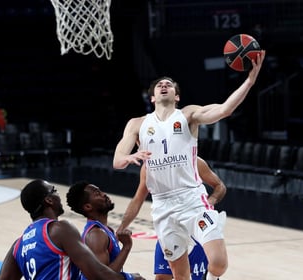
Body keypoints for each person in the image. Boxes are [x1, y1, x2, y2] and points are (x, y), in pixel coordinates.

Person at [112, 50, 264, 280]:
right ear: (152, 97)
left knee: (219, 263)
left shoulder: (188, 114)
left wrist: (249, 81)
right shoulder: (136, 124)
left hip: (192, 199)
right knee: (180, 276)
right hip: (163, 207)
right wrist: (128, 158)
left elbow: (224, 110)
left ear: (176, 96)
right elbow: (117, 160)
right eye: (159, 85)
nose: (164, 85)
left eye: (169, 85)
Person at [0, 179, 145, 280]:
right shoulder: (60, 230)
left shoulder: (18, 245)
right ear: (48, 200)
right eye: (54, 190)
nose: (58, 195)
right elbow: (97, 274)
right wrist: (130, 277)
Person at [117, 157, 227, 280]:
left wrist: (209, 202)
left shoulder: (192, 159)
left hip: (194, 224)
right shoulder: (149, 167)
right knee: (163, 277)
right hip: (168, 224)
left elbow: (220, 186)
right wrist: (122, 226)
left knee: (213, 266)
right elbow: (138, 199)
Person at [66, 180, 139, 280]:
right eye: (97, 194)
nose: (104, 194)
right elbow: (102, 278)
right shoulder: (96, 234)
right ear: (88, 206)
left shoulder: (104, 230)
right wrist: (126, 247)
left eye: (100, 191)